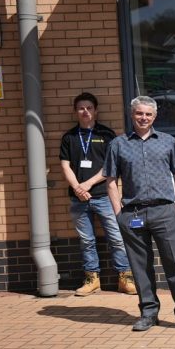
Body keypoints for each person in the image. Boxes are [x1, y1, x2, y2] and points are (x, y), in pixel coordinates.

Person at [103, 96, 175, 333]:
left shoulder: (167, 142)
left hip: (165, 212)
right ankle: (148, 313)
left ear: (154, 117)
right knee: (140, 267)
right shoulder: (118, 144)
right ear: (132, 115)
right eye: (139, 114)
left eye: (148, 114)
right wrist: (118, 213)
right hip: (132, 214)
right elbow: (111, 181)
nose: (143, 118)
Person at [58, 92, 135, 296]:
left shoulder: (107, 135)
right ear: (75, 112)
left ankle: (125, 278)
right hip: (78, 198)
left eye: (89, 108)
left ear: (96, 110)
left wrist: (87, 184)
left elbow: (111, 166)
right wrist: (77, 188)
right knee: (87, 241)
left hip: (103, 196)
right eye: (81, 108)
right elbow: (65, 166)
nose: (85, 112)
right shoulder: (69, 137)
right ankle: (92, 279)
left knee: (117, 238)